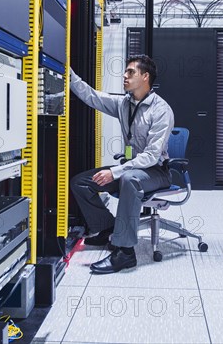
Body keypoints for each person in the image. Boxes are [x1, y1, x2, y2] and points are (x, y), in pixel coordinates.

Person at [69, 55, 174, 274]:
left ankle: (125, 253)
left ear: (145, 77)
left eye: (130, 72)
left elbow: (152, 156)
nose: (124, 76)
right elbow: (92, 96)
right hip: (131, 169)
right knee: (81, 183)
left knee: (129, 178)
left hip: (155, 171)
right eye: (125, 72)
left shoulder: (161, 110)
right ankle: (108, 228)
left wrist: (115, 172)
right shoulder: (123, 103)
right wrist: (67, 73)